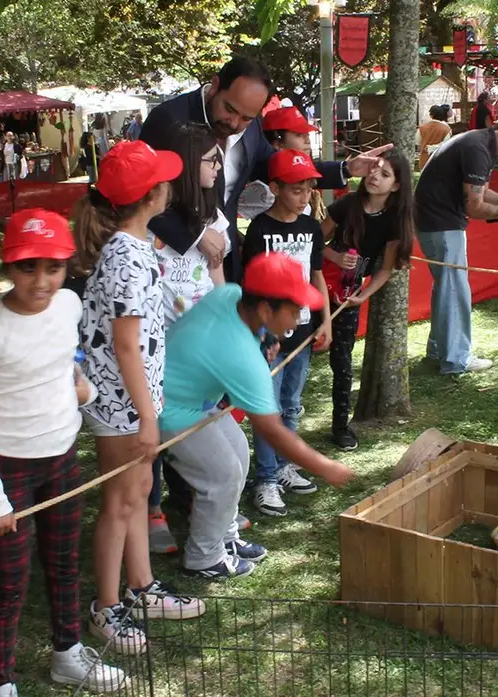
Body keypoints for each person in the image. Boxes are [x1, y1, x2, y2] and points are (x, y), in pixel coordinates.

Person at [0, 209, 125, 696]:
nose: (41, 279)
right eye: (28, 267)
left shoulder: (69, 305)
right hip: (9, 470)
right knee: (10, 582)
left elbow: (65, 365)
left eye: (52, 266)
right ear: (8, 268)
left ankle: (67, 655)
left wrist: (84, 391)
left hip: (62, 457)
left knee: (64, 563)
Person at [74, 140, 206, 656]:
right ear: (152, 194)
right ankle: (106, 608)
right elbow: (125, 342)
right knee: (120, 502)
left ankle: (142, 587)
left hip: (133, 400)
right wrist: (147, 416)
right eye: (163, 178)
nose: (170, 183)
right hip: (120, 406)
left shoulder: (134, 246)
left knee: (137, 492)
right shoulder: (125, 255)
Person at [159, 253, 353, 577]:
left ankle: (224, 537)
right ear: (265, 308)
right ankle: (204, 557)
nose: (298, 319)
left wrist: (266, 336)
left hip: (196, 398)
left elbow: (244, 332)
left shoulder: (232, 294)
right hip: (169, 407)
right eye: (293, 311)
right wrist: (324, 466)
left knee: (239, 457)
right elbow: (273, 431)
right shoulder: (242, 358)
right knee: (222, 475)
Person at [139, 55, 392, 283]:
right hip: (173, 264)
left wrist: (345, 169)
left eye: (248, 118)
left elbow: (278, 167)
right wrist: (197, 234)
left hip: (226, 262)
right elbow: (142, 194)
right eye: (229, 110)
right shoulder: (169, 120)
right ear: (215, 86)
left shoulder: (250, 129)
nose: (235, 124)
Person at [141, 121, 233, 555]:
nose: (218, 165)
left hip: (199, 356)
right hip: (161, 356)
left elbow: (216, 276)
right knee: (153, 440)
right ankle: (151, 510)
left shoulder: (212, 218)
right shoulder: (153, 222)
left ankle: (214, 516)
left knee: (215, 447)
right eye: (209, 158)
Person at [240, 149, 333, 517]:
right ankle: (265, 477)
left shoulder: (311, 228)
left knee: (291, 404)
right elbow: (251, 290)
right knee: (268, 407)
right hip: (269, 338)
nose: (305, 196)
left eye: (309, 189)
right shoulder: (260, 230)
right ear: (276, 188)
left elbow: (317, 276)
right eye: (297, 190)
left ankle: (283, 465)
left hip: (304, 331)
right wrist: (261, 334)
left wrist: (324, 319)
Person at [414, 119, 498, 375]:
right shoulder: (477, 149)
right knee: (455, 290)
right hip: (441, 223)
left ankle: (440, 350)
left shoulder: (482, 143)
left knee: (446, 287)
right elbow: (475, 207)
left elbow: (482, 192)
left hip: (435, 221)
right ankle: (456, 360)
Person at [320, 150, 416, 450]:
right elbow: (312, 242)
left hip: (348, 293)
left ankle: (340, 426)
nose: (375, 176)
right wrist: (334, 254)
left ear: (397, 186)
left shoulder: (393, 220)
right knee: (300, 353)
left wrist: (363, 296)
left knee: (343, 361)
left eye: (385, 174)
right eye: (375, 169)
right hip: (318, 283)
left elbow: (385, 269)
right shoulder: (347, 204)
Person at [238, 106, 327, 222]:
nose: (308, 140)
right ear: (278, 144)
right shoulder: (262, 189)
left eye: (307, 135)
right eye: (299, 135)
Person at [418, 104, 453, 171]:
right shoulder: (446, 129)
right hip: (440, 160)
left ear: (431, 115)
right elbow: (446, 145)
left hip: (424, 159)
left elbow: (417, 141)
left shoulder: (422, 127)